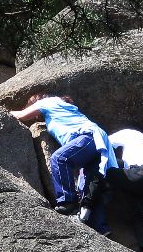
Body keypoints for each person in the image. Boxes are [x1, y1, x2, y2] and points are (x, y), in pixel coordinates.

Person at [9, 94, 117, 223]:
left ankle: (67, 202)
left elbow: (21, 115)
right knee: (89, 186)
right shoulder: (59, 109)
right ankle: (99, 226)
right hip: (95, 142)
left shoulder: (47, 102)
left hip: (89, 137)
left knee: (60, 158)